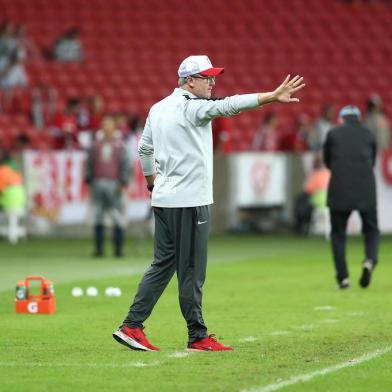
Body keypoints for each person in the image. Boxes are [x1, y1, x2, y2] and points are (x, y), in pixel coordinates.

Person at [113, 55, 305, 352]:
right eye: (207, 77)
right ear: (189, 80)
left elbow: (144, 148)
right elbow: (228, 106)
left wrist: (152, 183)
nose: (213, 82)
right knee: (191, 270)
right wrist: (271, 97)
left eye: (213, 76)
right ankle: (197, 335)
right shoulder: (193, 108)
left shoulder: (158, 107)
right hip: (189, 201)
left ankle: (132, 325)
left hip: (164, 199)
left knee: (163, 264)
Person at [323, 105, 379, 290]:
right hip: (366, 189)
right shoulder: (369, 134)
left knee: (338, 235)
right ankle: (369, 261)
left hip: (340, 188)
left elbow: (327, 161)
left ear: (341, 119)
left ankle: (343, 279)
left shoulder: (333, 134)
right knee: (371, 231)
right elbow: (373, 160)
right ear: (358, 118)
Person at [84, 115, 131, 257]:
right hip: (98, 183)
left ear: (114, 127)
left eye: (109, 124)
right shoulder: (95, 145)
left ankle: (118, 250)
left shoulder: (120, 145)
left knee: (117, 216)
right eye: (104, 124)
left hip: (114, 183)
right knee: (98, 216)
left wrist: (123, 182)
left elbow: (126, 164)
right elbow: (89, 163)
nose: (106, 127)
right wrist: (89, 180)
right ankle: (99, 249)